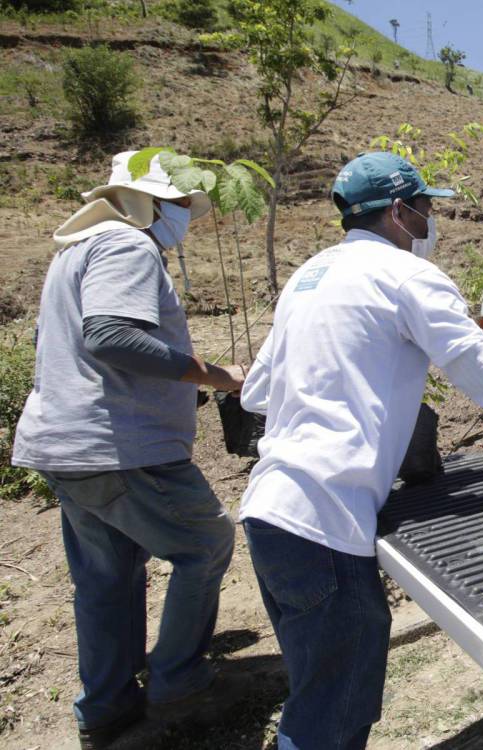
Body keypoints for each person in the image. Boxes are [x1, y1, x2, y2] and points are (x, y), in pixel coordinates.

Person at [237, 151, 483, 750]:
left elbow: (257, 391)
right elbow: (478, 367)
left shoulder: (308, 277)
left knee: (315, 691)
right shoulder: (405, 276)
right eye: (427, 208)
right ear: (400, 211)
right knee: (332, 717)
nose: (432, 220)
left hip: (267, 514)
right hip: (323, 526)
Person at [11, 152, 246, 749]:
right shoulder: (128, 246)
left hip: (67, 446)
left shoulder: (80, 248)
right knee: (206, 542)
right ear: (155, 204)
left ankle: (107, 708)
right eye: (182, 207)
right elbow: (113, 337)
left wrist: (170, 388)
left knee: (107, 578)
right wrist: (215, 376)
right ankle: (177, 681)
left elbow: (74, 347)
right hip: (118, 448)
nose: (186, 218)